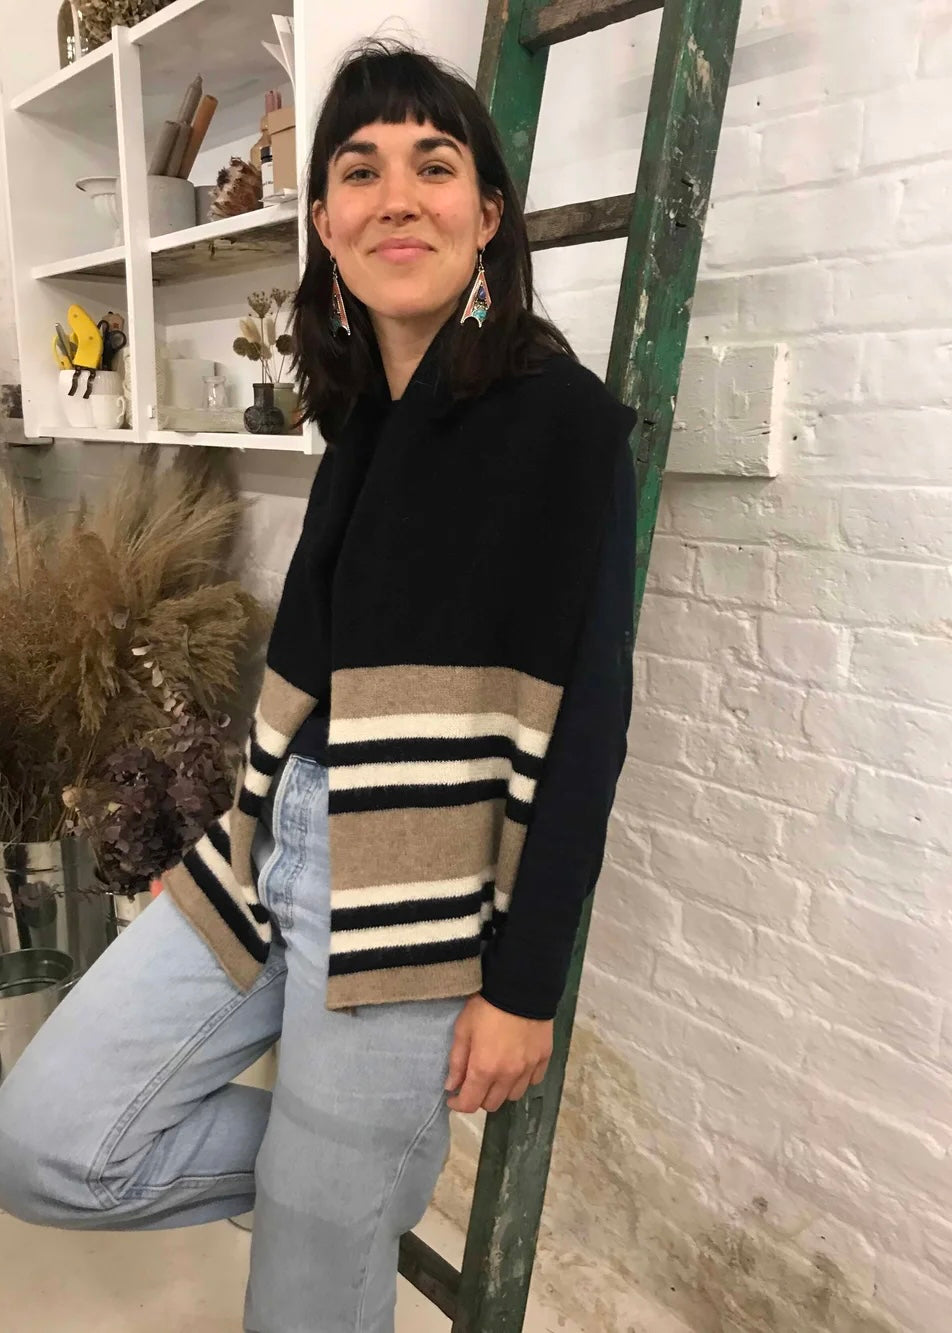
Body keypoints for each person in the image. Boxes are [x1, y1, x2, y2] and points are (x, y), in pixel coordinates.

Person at [0, 38, 637, 1333]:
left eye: (434, 164)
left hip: (413, 894)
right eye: (359, 169)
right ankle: (343, 1166)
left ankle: (338, 1183)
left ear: (487, 214)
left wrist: (524, 984)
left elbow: (593, 722)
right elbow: (323, 679)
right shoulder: (359, 413)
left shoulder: (557, 421)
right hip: (269, 851)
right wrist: (231, 828)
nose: (397, 194)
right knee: (47, 1138)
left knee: (304, 1302)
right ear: (327, 222)